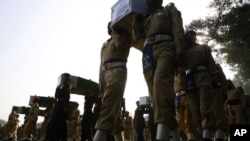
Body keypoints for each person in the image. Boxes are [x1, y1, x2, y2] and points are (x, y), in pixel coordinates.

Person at [132, 0, 185, 140]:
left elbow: (178, 29)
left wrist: (179, 51)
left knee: (160, 84)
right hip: (148, 52)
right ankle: (174, 133)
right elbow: (137, 37)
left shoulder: (168, 9)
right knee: (154, 92)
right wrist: (136, 21)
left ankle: (161, 136)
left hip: (166, 48)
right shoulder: (145, 17)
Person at [93, 22, 131, 141]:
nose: (109, 27)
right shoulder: (105, 44)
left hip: (117, 71)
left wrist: (116, 30)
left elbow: (120, 44)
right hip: (105, 74)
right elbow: (101, 64)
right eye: (108, 26)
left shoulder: (123, 37)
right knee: (114, 110)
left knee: (108, 107)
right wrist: (100, 80)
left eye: (112, 25)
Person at [184, 30, 218, 141]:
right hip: (189, 78)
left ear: (195, 36)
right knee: (193, 107)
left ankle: (207, 133)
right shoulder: (183, 51)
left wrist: (214, 76)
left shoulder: (203, 47)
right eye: (187, 35)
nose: (190, 37)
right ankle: (200, 129)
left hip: (203, 75)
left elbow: (211, 62)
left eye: (192, 34)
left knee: (205, 104)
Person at [45, 73, 71, 141]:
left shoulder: (67, 86)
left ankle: (57, 138)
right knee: (53, 122)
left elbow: (67, 97)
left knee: (60, 123)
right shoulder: (59, 86)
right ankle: (50, 137)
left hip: (63, 106)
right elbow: (56, 96)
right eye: (63, 77)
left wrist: (65, 107)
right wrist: (54, 103)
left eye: (64, 77)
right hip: (58, 106)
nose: (63, 78)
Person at [174, 67, 197, 141]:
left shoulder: (185, 72)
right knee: (180, 120)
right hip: (177, 98)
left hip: (186, 95)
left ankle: (191, 136)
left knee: (188, 117)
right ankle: (188, 134)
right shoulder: (172, 75)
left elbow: (181, 81)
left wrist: (180, 73)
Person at [211, 64, 228, 141]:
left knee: (218, 115)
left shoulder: (216, 66)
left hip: (216, 91)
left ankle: (219, 136)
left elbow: (223, 78)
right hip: (204, 93)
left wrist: (224, 91)